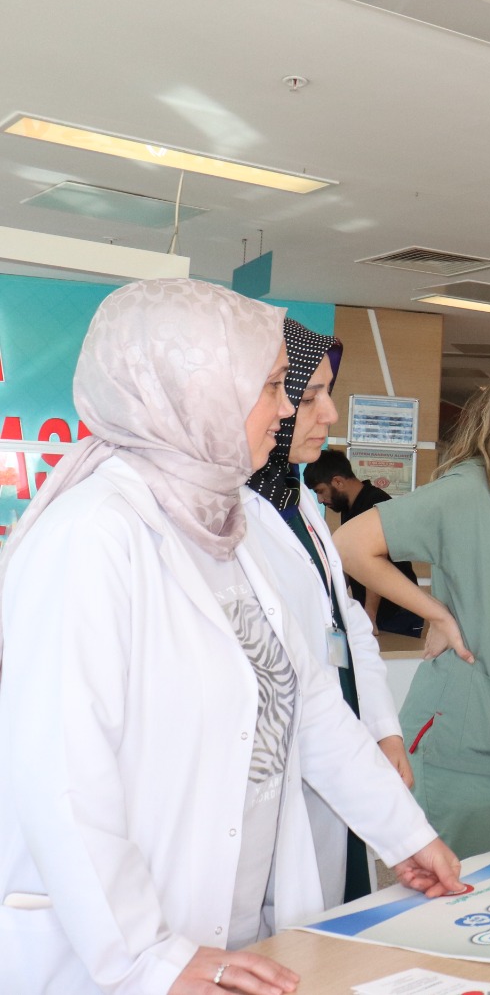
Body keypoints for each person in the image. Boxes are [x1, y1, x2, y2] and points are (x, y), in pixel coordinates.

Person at [0, 279, 464, 995]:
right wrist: (149, 956)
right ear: (198, 391)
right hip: (120, 955)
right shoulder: (92, 536)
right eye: (275, 386)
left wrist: (404, 834)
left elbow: (307, 701)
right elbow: (62, 774)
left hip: (235, 932)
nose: (288, 410)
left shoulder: (232, 528)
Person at [334, 351, 490, 860]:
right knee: (455, 905)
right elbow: (349, 545)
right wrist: (436, 612)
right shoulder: (463, 492)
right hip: (466, 743)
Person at [242, 321, 411, 908]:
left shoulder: (303, 505)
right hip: (279, 764)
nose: (328, 413)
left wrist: (382, 728)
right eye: (307, 394)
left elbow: (349, 627)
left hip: (337, 738)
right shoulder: (230, 514)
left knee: (335, 901)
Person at [303, 448, 425, 636]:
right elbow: (349, 562)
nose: (320, 500)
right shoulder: (350, 507)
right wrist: (332, 605)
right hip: (377, 614)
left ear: (337, 482)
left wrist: (370, 614)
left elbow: (377, 561)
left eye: (320, 491)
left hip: (399, 613)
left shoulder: (375, 503)